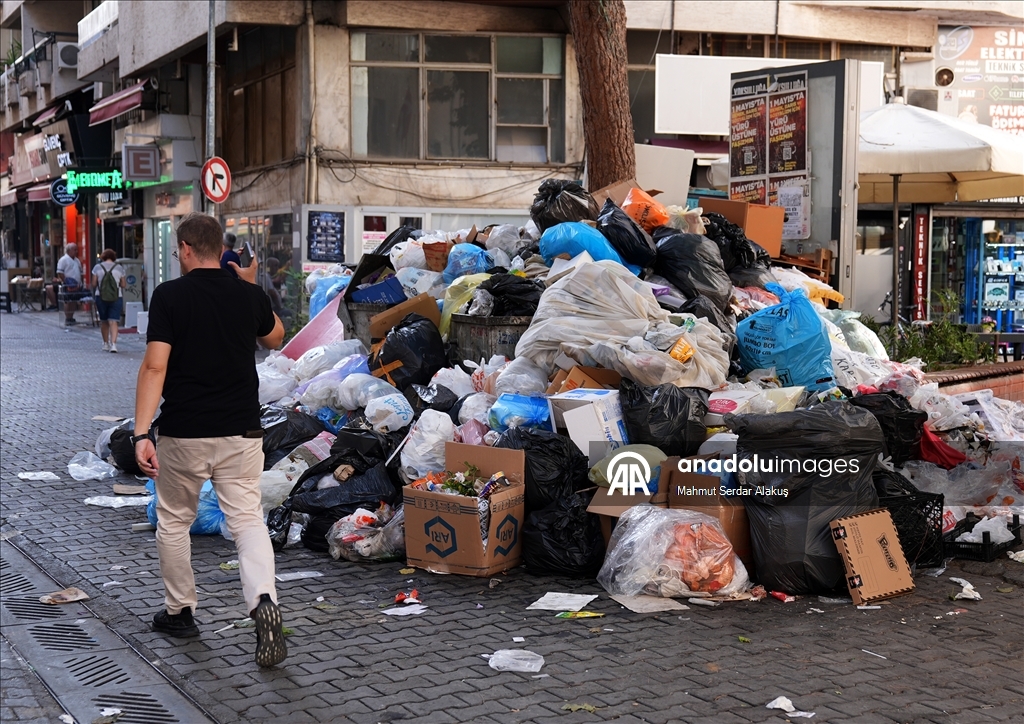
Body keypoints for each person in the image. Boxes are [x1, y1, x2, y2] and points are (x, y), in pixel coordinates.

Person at [133, 212, 287, 668]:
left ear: (183, 249)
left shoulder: (170, 296)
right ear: (221, 249)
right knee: (246, 521)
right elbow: (276, 337)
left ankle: (180, 612)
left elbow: (156, 366)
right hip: (242, 431)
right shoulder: (247, 294)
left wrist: (143, 432)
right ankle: (263, 599)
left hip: (185, 432)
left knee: (175, 521)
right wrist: (251, 285)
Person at [91, 249, 127, 352]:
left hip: (101, 296)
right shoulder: (119, 268)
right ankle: (114, 345)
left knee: (104, 321)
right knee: (113, 321)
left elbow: (93, 284)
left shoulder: (97, 267)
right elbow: (124, 285)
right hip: (116, 297)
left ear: (103, 257)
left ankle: (105, 343)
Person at [49, 243, 84, 324]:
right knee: (68, 301)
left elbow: (80, 272)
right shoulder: (63, 260)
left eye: (76, 249)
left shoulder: (77, 260)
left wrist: (80, 282)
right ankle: (67, 318)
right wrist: (66, 282)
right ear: (69, 250)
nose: (76, 251)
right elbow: (60, 272)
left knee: (74, 300)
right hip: (69, 284)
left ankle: (71, 317)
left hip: (77, 284)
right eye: (74, 250)